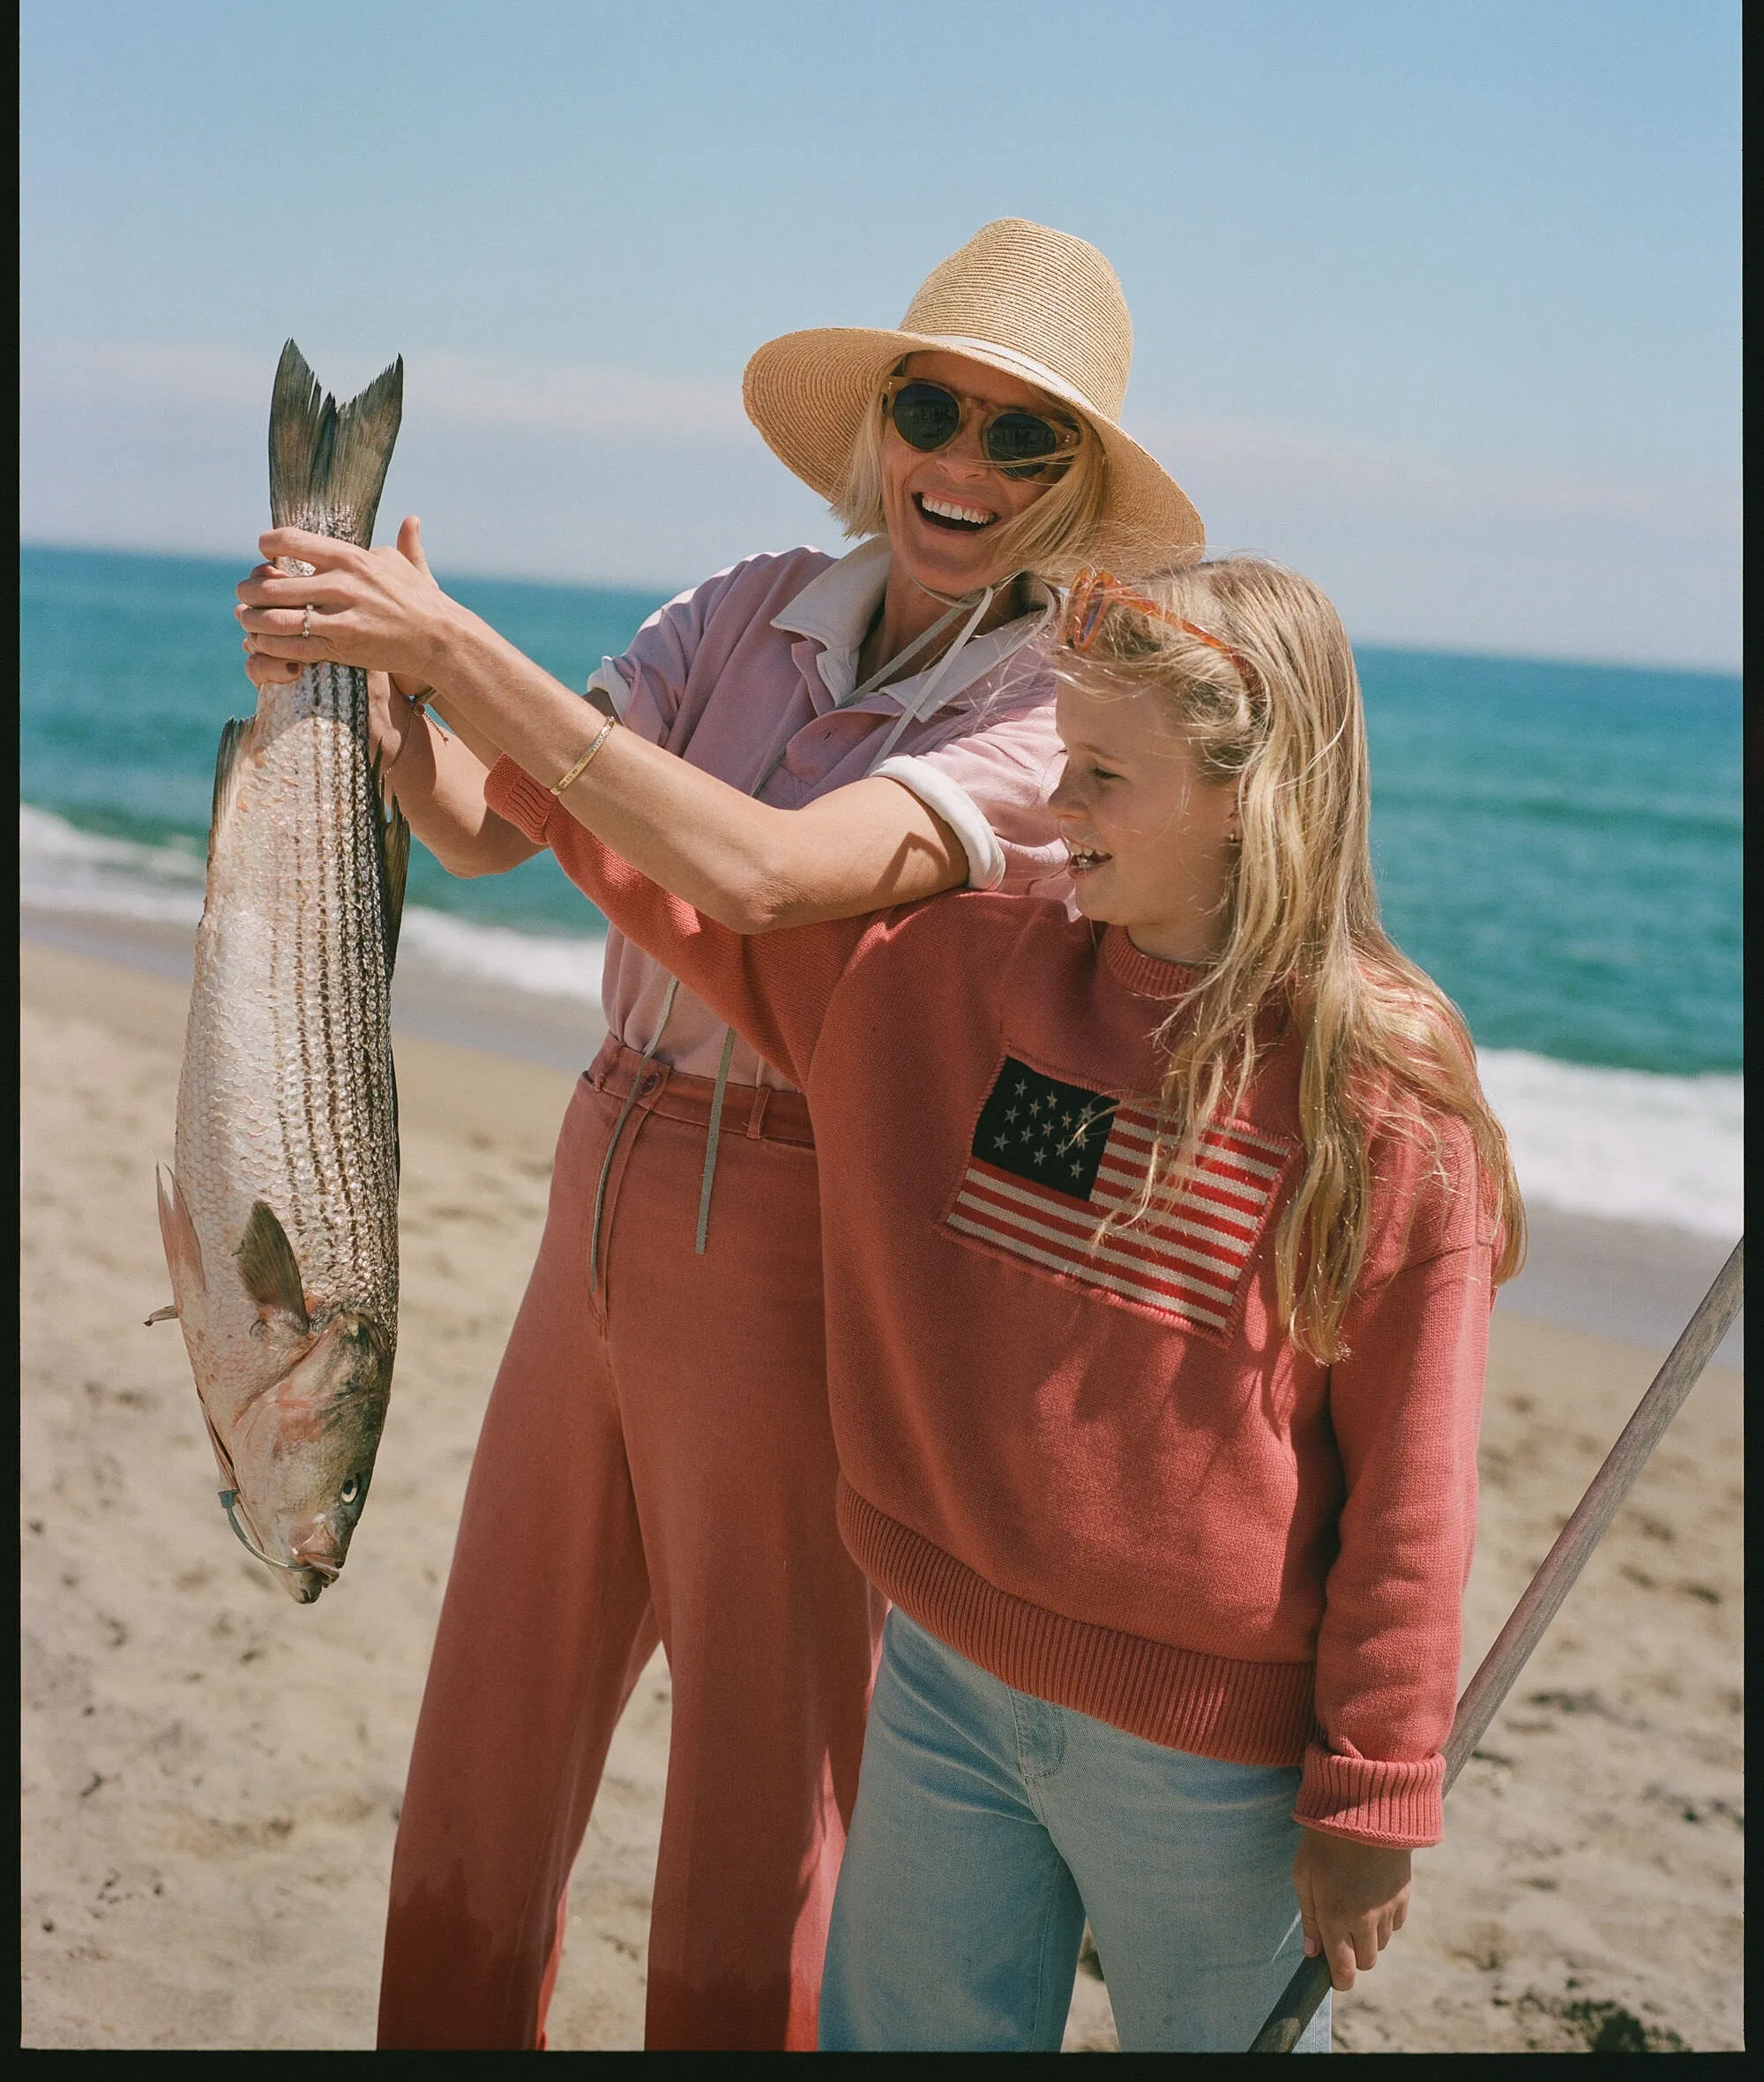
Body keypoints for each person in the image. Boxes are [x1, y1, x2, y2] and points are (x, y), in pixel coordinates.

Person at [235, 220, 1206, 2050]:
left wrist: (452, 647)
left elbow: (764, 879)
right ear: (879, 423)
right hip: (598, 1170)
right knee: (484, 1743)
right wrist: (372, 685)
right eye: (935, 407)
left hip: (805, 1239)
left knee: (763, 1802)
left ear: (1073, 485)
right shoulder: (746, 599)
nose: (964, 465)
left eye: (1024, 440)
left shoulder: (1042, 707)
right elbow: (483, 826)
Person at [417, 556, 1523, 2053]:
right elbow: (717, 913)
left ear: (1250, 793)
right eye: (1062, 761)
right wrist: (492, 755)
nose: (1053, 810)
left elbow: (1413, 1489)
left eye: (1103, 775)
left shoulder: (1379, 1104)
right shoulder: (979, 991)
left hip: (1200, 1767)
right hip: (940, 1697)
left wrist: (1377, 1791)